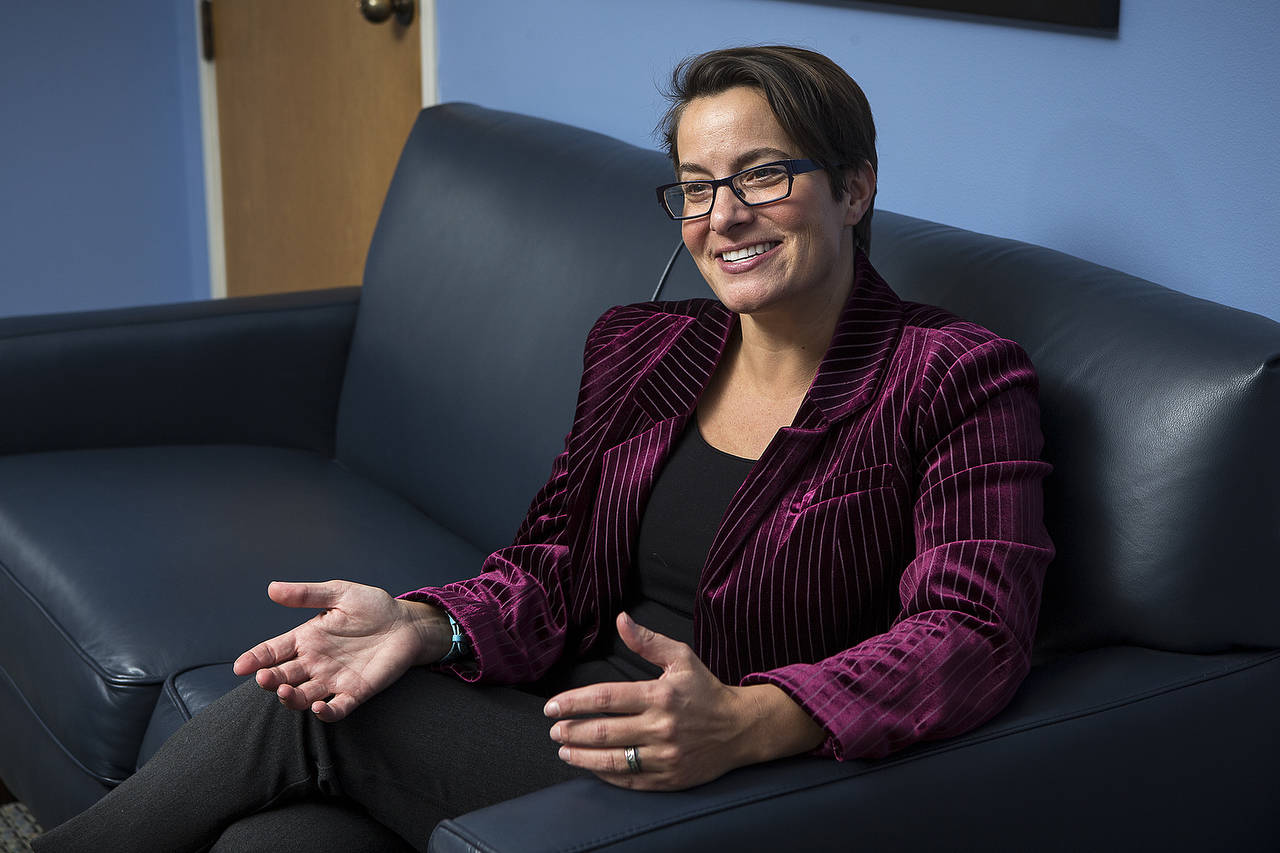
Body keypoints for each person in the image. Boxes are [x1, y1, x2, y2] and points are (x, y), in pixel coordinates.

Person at [35, 45, 1053, 851]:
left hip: (733, 773)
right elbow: (554, 564)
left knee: (299, 715)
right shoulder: (643, 345)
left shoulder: (951, 375)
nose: (722, 216)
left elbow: (973, 631)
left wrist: (750, 719)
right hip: (556, 715)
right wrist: (424, 626)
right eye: (695, 186)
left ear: (854, 187)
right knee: (279, 839)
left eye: (763, 175)